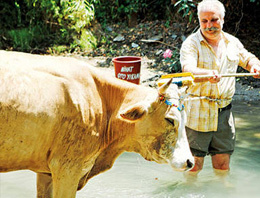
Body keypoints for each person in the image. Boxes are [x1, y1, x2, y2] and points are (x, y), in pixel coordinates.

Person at [180, 0, 260, 179]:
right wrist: (205, 73)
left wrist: (255, 66)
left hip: (224, 114)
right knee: (194, 166)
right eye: (204, 21)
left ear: (223, 19)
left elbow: (248, 59)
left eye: (214, 20)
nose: (209, 25)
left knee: (223, 164)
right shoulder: (191, 44)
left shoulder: (232, 42)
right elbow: (188, 69)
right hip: (198, 112)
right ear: (199, 21)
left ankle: (223, 191)